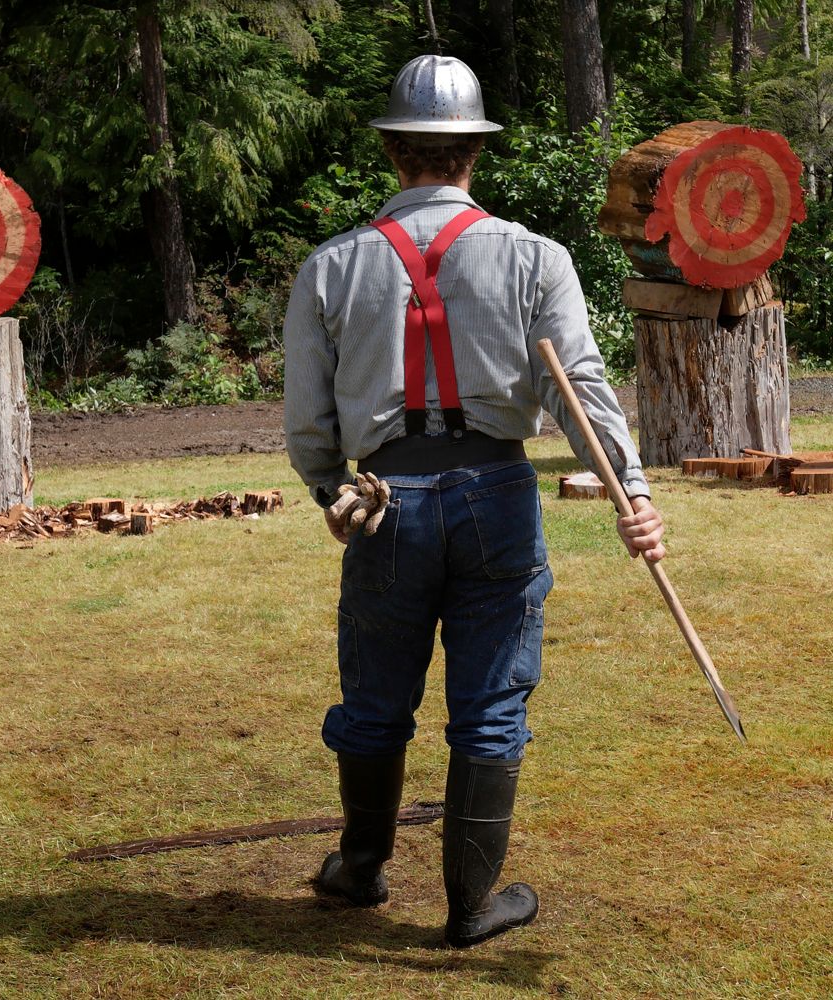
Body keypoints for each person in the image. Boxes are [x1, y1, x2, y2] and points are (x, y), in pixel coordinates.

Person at [282, 54, 665, 949]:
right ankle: (469, 906)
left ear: (391, 151)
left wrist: (329, 492)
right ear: (474, 155)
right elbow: (586, 395)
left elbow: (308, 420)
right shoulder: (538, 257)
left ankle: (363, 870)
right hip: (498, 495)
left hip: (384, 502)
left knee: (376, 699)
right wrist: (632, 492)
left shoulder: (330, 267)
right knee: (490, 706)